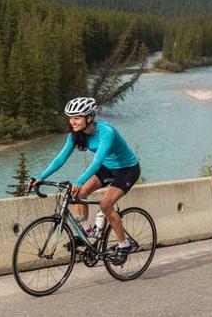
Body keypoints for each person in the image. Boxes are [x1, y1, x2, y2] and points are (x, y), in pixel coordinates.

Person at [31, 97, 142, 257]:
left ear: (89, 117)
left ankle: (124, 244)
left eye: (76, 118)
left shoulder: (106, 132)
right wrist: (40, 177)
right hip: (107, 168)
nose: (72, 122)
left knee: (105, 204)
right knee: (79, 194)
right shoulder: (76, 135)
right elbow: (61, 158)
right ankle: (87, 234)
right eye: (70, 118)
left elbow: (96, 162)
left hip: (127, 169)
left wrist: (79, 181)